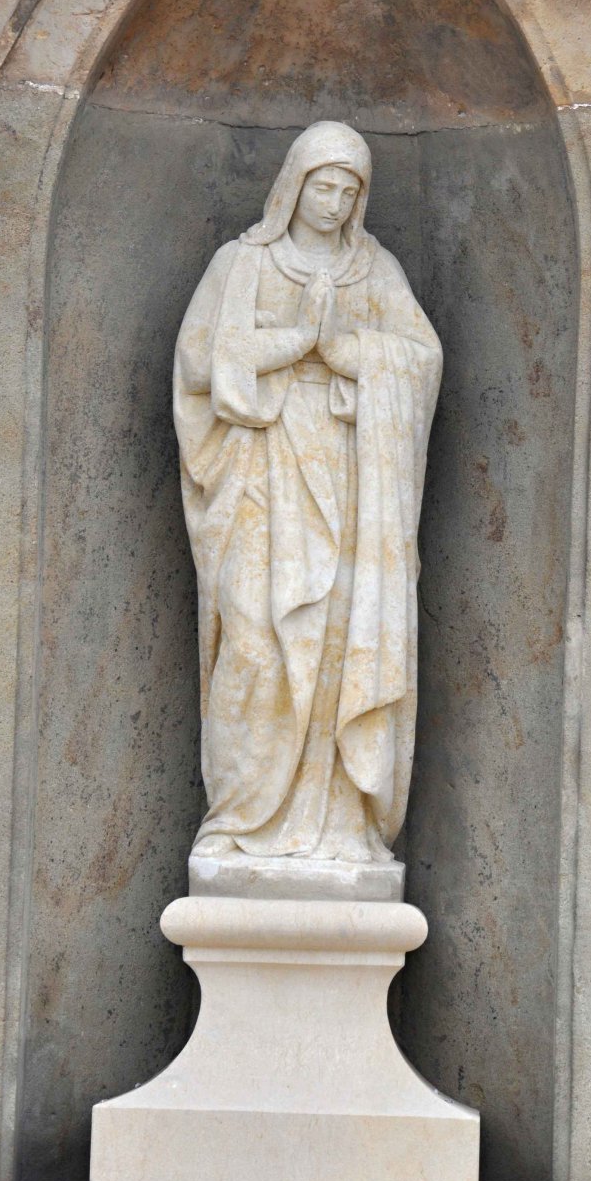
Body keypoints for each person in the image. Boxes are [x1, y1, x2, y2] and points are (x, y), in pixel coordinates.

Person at [174, 121, 442, 863]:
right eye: (323, 186)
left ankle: (338, 827)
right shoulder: (243, 264)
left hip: (351, 477)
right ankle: (238, 819)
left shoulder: (373, 271)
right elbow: (199, 362)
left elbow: (420, 360)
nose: (334, 202)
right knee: (256, 643)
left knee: (337, 648)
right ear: (293, 185)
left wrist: (352, 355)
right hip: (259, 476)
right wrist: (295, 342)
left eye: (349, 191)